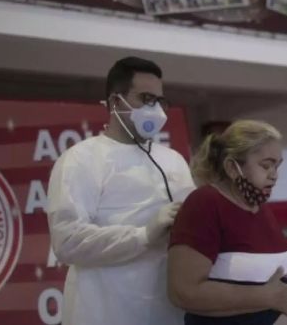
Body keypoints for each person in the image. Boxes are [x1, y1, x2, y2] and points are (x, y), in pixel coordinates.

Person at [47, 56, 196, 325]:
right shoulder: (81, 159)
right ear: (116, 103)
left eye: (160, 101)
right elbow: (67, 242)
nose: (156, 109)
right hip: (105, 311)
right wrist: (143, 235)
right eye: (146, 98)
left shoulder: (173, 160)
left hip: (169, 310)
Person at [168, 120, 287, 325]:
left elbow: (267, 269)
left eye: (277, 166)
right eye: (266, 165)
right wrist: (266, 297)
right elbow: (184, 291)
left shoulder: (260, 209)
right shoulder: (205, 203)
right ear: (233, 168)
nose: (274, 175)